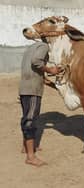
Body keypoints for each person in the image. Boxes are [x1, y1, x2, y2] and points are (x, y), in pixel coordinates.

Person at [19, 39, 60, 167]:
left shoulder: (30, 48)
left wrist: (58, 87)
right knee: (30, 121)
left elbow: (38, 73)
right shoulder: (43, 46)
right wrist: (50, 70)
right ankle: (30, 157)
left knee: (26, 117)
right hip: (33, 90)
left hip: (25, 88)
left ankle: (25, 147)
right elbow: (36, 62)